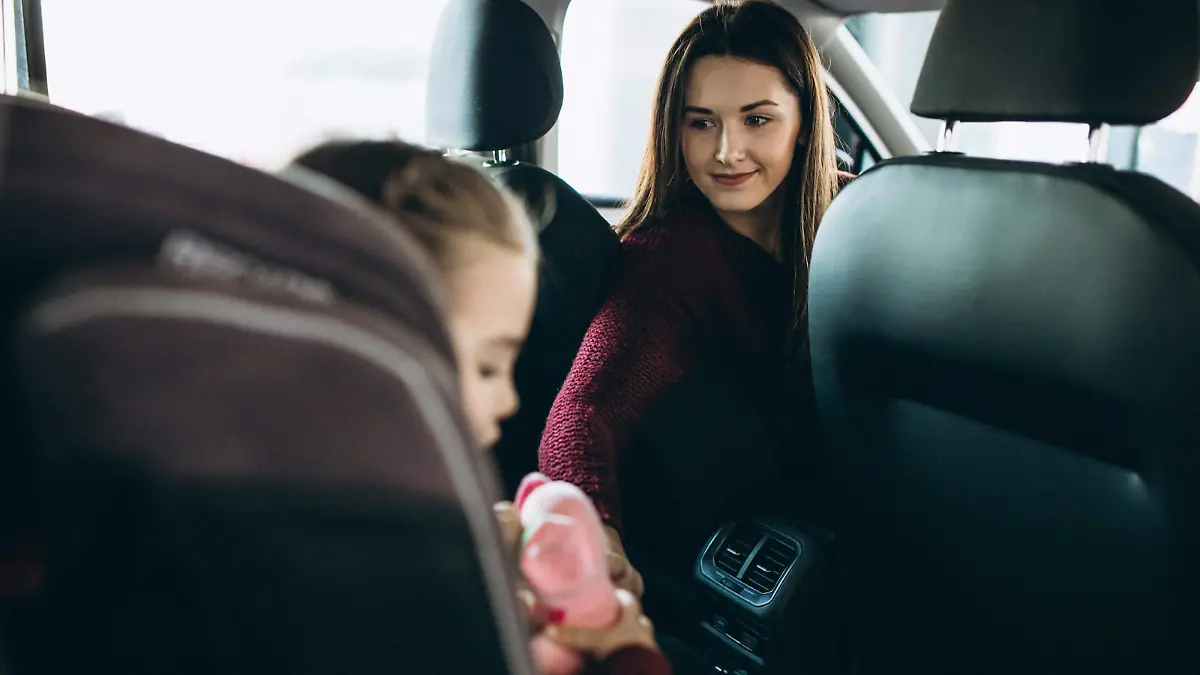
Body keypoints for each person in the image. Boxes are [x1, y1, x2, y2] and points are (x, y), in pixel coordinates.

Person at [290, 140, 672, 675]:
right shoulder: (369, 594)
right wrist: (628, 653)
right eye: (488, 367)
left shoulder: (322, 528)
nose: (510, 399)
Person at [539, 0, 852, 573]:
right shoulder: (673, 257)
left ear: (805, 121)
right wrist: (595, 541)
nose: (726, 151)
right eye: (701, 121)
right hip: (779, 557)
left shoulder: (862, 215)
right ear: (673, 126)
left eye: (757, 119)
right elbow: (583, 416)